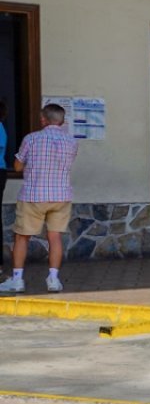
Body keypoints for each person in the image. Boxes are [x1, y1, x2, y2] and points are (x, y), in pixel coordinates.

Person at [2, 102, 78, 294]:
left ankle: (17, 280)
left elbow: (17, 166)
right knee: (55, 237)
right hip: (61, 195)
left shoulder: (32, 138)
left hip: (33, 195)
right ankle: (53, 280)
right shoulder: (72, 142)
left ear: (43, 119)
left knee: (22, 237)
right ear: (62, 121)